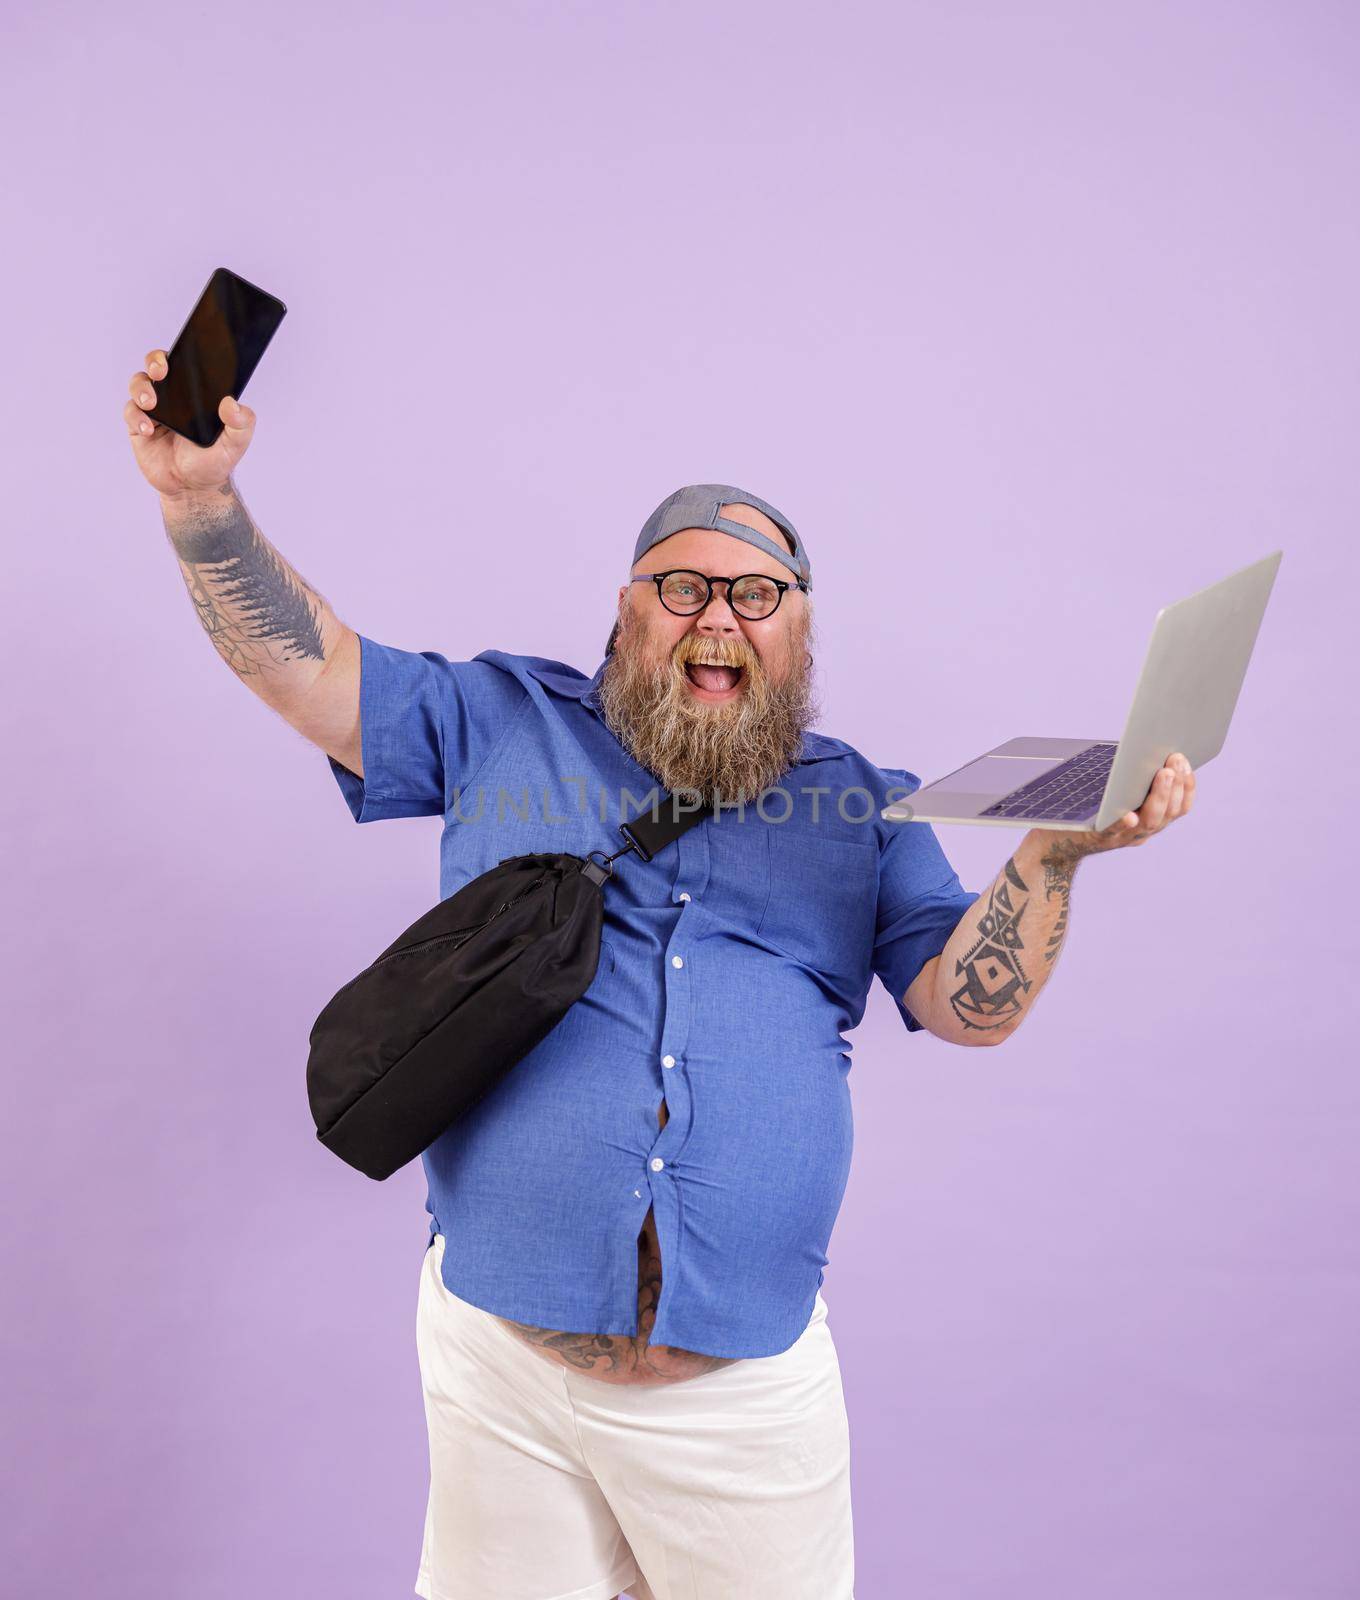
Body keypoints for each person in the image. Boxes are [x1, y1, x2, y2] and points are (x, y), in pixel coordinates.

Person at [124, 354, 1196, 1600]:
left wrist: (1054, 855)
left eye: (756, 593)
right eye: (681, 585)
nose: (717, 615)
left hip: (739, 1390)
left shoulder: (866, 803)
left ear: (798, 633)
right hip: (501, 1366)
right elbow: (306, 670)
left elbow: (966, 1006)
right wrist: (200, 505)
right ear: (625, 610)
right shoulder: (499, 720)